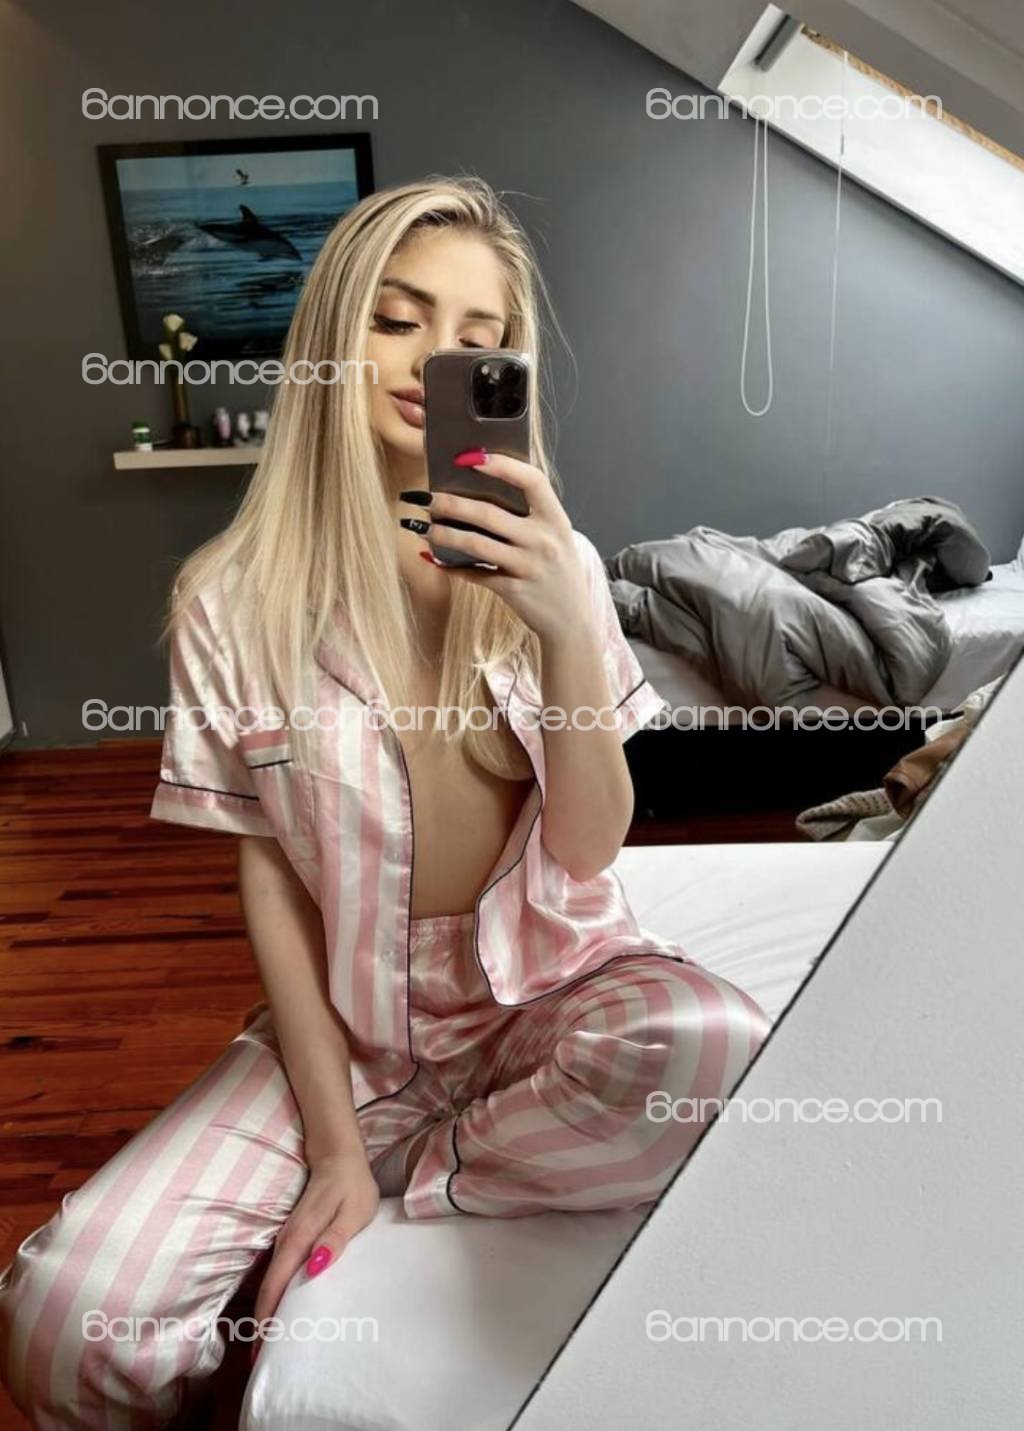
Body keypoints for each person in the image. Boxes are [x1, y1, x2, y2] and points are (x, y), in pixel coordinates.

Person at [0, 175, 769, 1427]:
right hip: (352, 1028)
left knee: (714, 1051)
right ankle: (357, 1165)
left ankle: (424, 1162)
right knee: (66, 1315)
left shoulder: (558, 567)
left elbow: (589, 848)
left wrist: (566, 632)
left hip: (548, 987)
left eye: (477, 337)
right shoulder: (229, 600)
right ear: (329, 338)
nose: (432, 362)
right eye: (398, 319)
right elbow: (268, 880)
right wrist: (330, 1136)